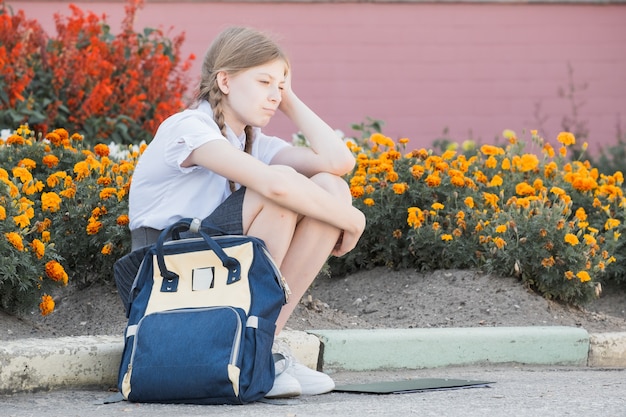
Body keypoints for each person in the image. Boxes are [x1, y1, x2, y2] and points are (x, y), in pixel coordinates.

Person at [127, 26, 366, 398]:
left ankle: (259, 346)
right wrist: (354, 220)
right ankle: (256, 349)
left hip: (211, 263)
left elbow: (338, 162)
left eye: (281, 86)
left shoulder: (254, 141)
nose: (273, 96)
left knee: (330, 188)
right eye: (264, 82)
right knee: (281, 190)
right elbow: (276, 186)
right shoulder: (188, 127)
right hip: (166, 269)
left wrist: (289, 99)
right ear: (224, 80)